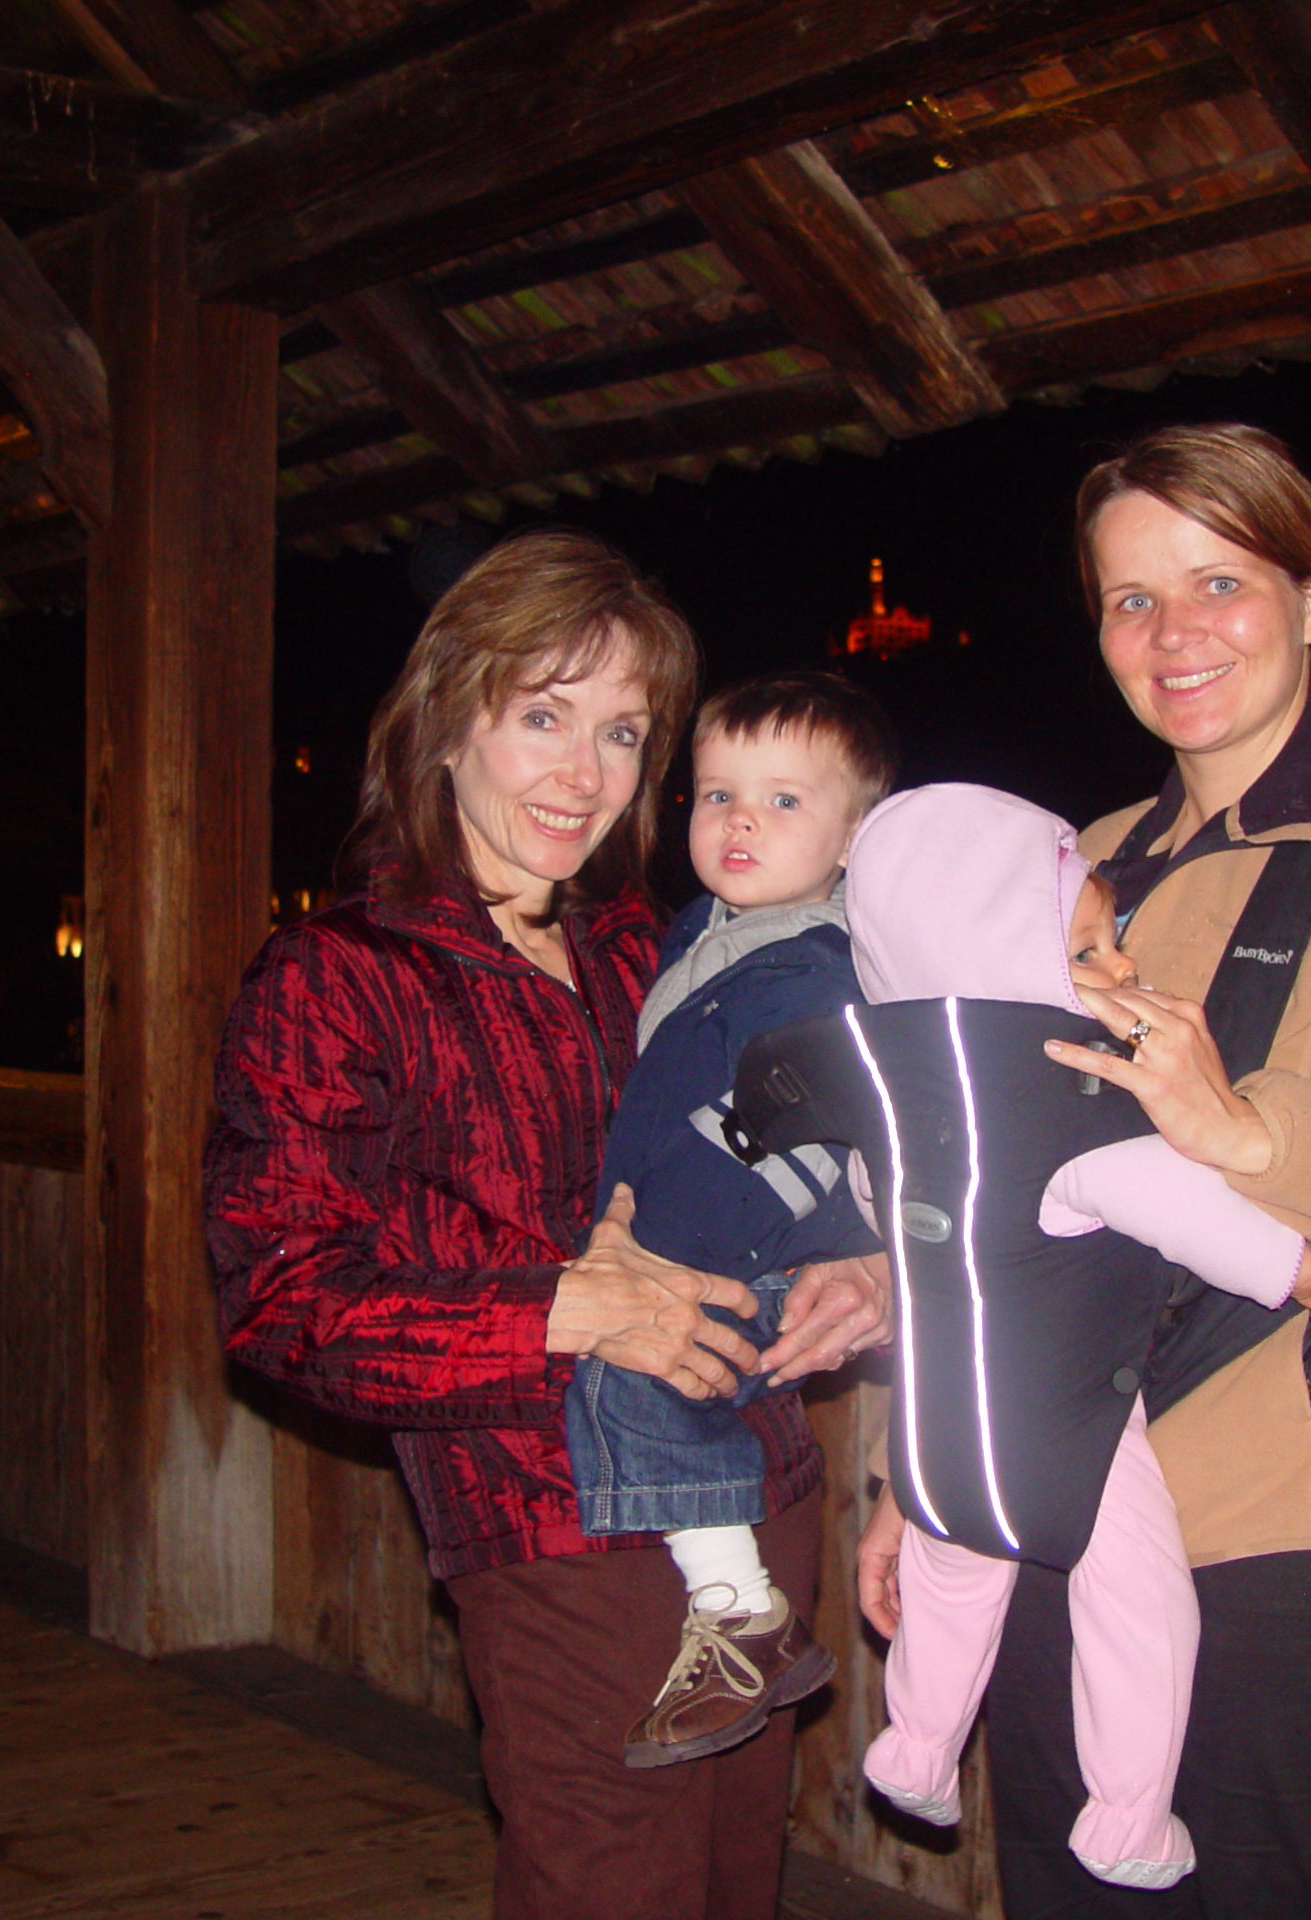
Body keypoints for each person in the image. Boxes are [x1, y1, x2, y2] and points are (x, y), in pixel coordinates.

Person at [856, 424, 1311, 1918]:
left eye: (1220, 582)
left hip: (1304, 1555)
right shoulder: (1083, 861)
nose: (1173, 632)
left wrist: (1249, 1133)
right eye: (1132, 600)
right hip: (1058, 1527)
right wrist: (919, 1477)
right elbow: (972, 1190)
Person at [204, 528, 886, 1920]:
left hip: (766, 1494)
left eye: (625, 731)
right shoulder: (340, 977)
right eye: (544, 716)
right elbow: (279, 1294)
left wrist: (866, 1271)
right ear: (450, 714)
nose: (585, 773)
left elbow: (828, 1128)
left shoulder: (662, 945)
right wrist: (560, 1307)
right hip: (552, 1524)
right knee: (608, 1883)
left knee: (733, 1873)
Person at [730, 782, 1311, 1890]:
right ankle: (1128, 1817)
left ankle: (915, 1745)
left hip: (938, 1417)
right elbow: (1204, 1217)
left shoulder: (900, 1104)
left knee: (958, 1575)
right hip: (1066, 1419)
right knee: (1141, 1602)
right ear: (991, 950)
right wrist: (1293, 1254)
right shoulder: (1074, 1113)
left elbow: (878, 1204)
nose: (1120, 974)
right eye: (1091, 950)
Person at [563, 670, 896, 1770]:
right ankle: (737, 1610)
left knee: (635, 1384)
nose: (741, 819)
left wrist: (664, 1251)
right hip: (692, 1242)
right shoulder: (706, 932)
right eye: (717, 795)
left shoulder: (817, 968)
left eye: (786, 800)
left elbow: (791, 1137)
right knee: (641, 1390)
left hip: (730, 1253)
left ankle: (737, 1609)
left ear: (856, 837)